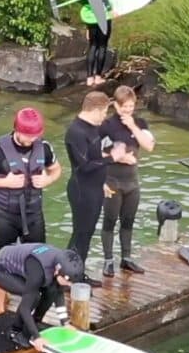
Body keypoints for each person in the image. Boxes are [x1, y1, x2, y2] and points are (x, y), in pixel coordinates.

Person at [0, 108, 60, 257]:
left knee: (38, 258)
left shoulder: (45, 147)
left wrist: (48, 180)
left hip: (34, 215)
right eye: (28, 136)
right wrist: (6, 182)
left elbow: (57, 170)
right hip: (5, 216)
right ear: (17, 129)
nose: (32, 140)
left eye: (35, 135)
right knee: (2, 259)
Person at [62, 91, 121, 276]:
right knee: (80, 234)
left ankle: (78, 273)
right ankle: (68, 274)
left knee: (87, 235)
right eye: (104, 112)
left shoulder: (93, 127)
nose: (105, 116)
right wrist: (112, 158)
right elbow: (85, 166)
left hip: (94, 188)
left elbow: (95, 158)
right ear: (95, 110)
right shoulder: (76, 131)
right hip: (82, 191)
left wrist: (102, 182)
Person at [98, 85, 154, 276]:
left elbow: (148, 146)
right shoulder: (106, 125)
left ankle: (126, 258)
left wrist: (132, 125)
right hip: (112, 180)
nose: (127, 110)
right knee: (110, 220)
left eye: (130, 106)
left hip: (132, 182)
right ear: (115, 105)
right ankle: (108, 260)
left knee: (128, 220)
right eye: (124, 106)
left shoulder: (140, 123)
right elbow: (96, 151)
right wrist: (121, 158)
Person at [0, 242, 75, 347]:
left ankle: (35, 322)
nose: (70, 285)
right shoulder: (38, 270)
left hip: (26, 267)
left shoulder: (61, 262)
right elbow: (25, 307)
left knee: (52, 290)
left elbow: (58, 293)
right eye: (68, 282)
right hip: (0, 269)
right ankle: (15, 331)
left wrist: (65, 323)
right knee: (34, 297)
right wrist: (37, 338)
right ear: (57, 272)